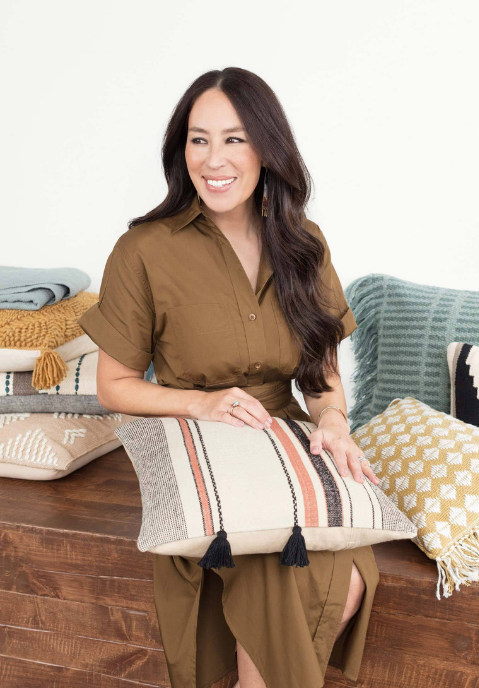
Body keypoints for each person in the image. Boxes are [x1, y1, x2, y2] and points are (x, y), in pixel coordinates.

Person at [78, 66, 381, 688]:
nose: (213, 159)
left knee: (348, 576)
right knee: (269, 562)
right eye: (198, 139)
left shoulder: (305, 243)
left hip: (286, 440)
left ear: (267, 149)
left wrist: (332, 422)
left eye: (234, 139)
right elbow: (114, 386)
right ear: (180, 148)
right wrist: (203, 404)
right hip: (196, 441)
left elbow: (321, 380)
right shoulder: (144, 250)